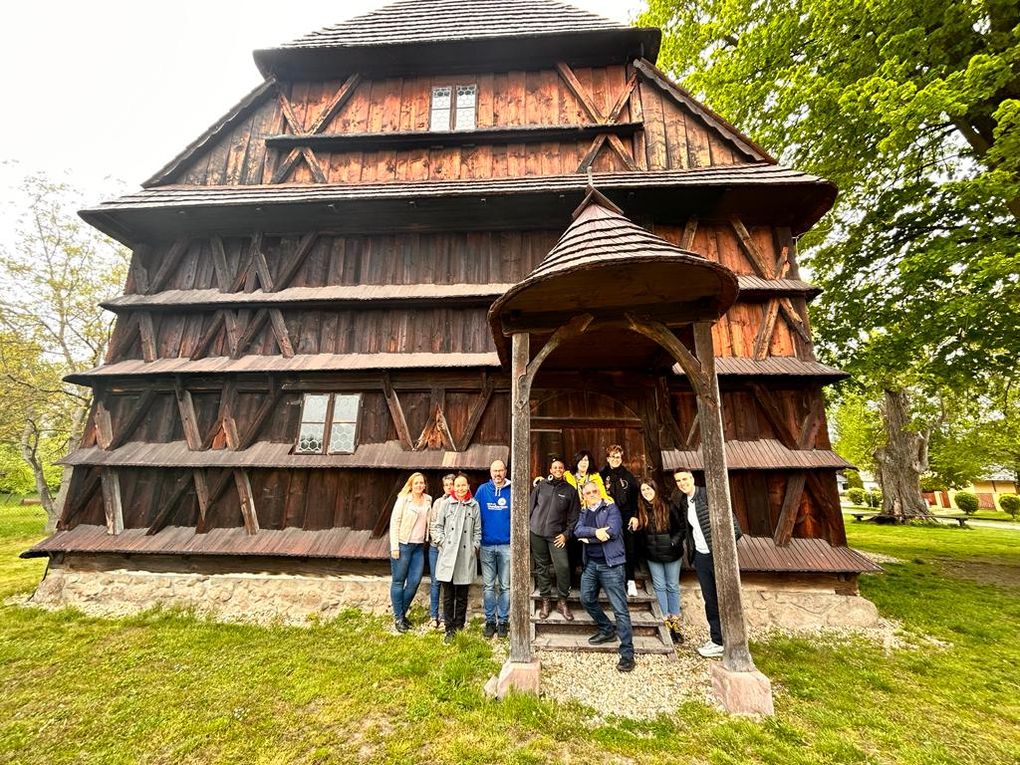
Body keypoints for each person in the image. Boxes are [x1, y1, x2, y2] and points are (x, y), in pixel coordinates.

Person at [671, 469, 743, 658]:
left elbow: (733, 526)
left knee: (726, 596)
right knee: (710, 599)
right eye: (678, 480)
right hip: (701, 556)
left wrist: (723, 551)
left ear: (692, 478)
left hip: (717, 555)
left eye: (685, 479)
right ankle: (717, 640)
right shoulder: (685, 502)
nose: (682, 483)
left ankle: (734, 638)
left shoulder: (708, 495)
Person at [575, 480, 635, 672]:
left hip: (612, 565)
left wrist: (589, 537)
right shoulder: (584, 513)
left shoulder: (611, 509)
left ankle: (627, 654)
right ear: (584, 496)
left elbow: (614, 531)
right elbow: (578, 531)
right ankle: (607, 629)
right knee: (586, 599)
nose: (592, 494)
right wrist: (596, 532)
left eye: (594, 491)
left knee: (620, 609)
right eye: (588, 492)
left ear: (600, 492)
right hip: (591, 564)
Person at [633, 478, 684, 643]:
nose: (647, 492)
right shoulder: (641, 510)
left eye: (649, 489)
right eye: (643, 490)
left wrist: (672, 542)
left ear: (655, 489)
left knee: (672, 585)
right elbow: (639, 533)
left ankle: (675, 619)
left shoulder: (668, 506)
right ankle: (665, 618)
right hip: (653, 554)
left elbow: (680, 528)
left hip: (671, 553)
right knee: (660, 586)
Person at [432, 473, 481, 643]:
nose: (460, 488)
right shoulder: (446, 504)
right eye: (457, 485)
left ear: (468, 486)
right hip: (448, 556)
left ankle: (459, 626)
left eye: (463, 485)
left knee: (462, 595)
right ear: (453, 487)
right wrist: (443, 544)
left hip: (465, 555)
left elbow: (477, 531)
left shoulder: (474, 505)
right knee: (448, 595)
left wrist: (474, 547)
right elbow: (437, 527)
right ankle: (449, 628)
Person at [529, 457, 580, 621]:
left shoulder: (570, 490)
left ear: (564, 470)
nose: (557, 469)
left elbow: (575, 518)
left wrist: (566, 534)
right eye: (555, 467)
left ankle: (562, 601)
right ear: (550, 470)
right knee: (542, 567)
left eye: (560, 467)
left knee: (563, 567)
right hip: (536, 533)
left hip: (556, 536)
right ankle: (546, 600)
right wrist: (528, 526)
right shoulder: (541, 486)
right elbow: (530, 507)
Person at [388, 472, 432, 633]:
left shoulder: (428, 500)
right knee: (398, 581)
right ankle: (399, 617)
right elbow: (395, 522)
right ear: (411, 485)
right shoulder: (403, 500)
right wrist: (394, 547)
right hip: (403, 544)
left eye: (422, 483)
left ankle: (400, 613)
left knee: (414, 582)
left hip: (418, 547)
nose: (419, 485)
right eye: (416, 483)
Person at [474, 459, 511, 639]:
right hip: (487, 545)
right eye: (494, 471)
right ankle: (490, 620)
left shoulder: (512, 490)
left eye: (501, 470)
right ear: (490, 472)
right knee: (488, 586)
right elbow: (474, 515)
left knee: (505, 586)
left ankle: (503, 621)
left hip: (507, 545)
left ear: (505, 471)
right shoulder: (482, 490)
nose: (498, 474)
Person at [600, 444, 640, 598]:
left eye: (618, 457)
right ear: (607, 458)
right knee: (608, 546)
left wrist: (635, 515)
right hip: (608, 516)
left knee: (629, 548)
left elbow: (636, 498)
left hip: (626, 515)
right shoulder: (602, 475)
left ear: (621, 458)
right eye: (612, 456)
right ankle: (609, 581)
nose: (615, 459)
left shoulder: (628, 476)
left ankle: (630, 580)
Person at [427, 473, 456, 630]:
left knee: (448, 582)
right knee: (435, 581)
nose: (449, 487)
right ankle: (433, 616)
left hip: (450, 549)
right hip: (436, 547)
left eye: (451, 484)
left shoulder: (458, 502)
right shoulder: (438, 502)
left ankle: (446, 616)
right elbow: (433, 524)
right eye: (446, 485)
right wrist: (440, 542)